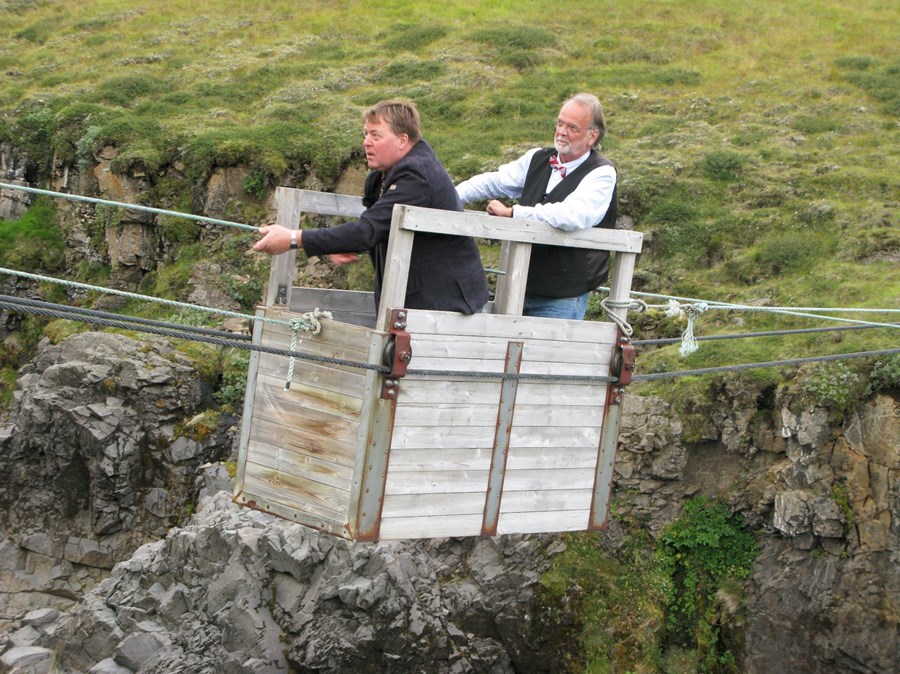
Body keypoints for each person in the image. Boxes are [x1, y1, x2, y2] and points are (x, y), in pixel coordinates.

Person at [254, 100, 489, 315]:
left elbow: (368, 231)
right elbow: (375, 227)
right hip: (420, 300)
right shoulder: (382, 175)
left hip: (445, 306)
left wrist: (293, 238)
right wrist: (345, 242)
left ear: (402, 139)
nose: (366, 142)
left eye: (376, 135)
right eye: (366, 134)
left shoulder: (416, 175)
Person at [455, 93, 617, 320]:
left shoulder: (602, 173)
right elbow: (495, 181)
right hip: (517, 286)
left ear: (592, 136)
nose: (561, 131)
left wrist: (514, 213)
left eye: (572, 127)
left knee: (549, 357)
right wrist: (452, 197)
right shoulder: (538, 158)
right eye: (559, 123)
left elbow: (571, 215)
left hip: (563, 296)